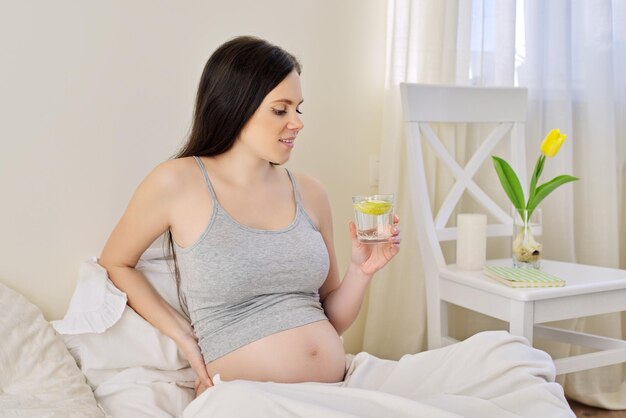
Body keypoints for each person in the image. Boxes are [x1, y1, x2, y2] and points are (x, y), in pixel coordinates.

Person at [98, 35, 401, 397]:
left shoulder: (310, 192)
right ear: (235, 106)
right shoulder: (176, 182)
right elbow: (116, 262)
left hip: (335, 392)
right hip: (248, 398)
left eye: (298, 109)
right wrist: (185, 337)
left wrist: (360, 271)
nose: (297, 123)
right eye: (280, 109)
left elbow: (331, 318)